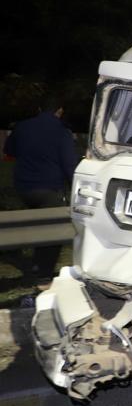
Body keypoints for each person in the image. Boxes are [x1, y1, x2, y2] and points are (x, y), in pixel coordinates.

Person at [3, 96, 80, 285]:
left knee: (37, 223)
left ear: (38, 109)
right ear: (59, 111)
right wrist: (76, 188)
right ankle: (43, 271)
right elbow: (69, 164)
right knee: (55, 229)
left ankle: (23, 256)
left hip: (24, 187)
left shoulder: (22, 126)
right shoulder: (62, 131)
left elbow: (9, 150)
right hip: (49, 188)